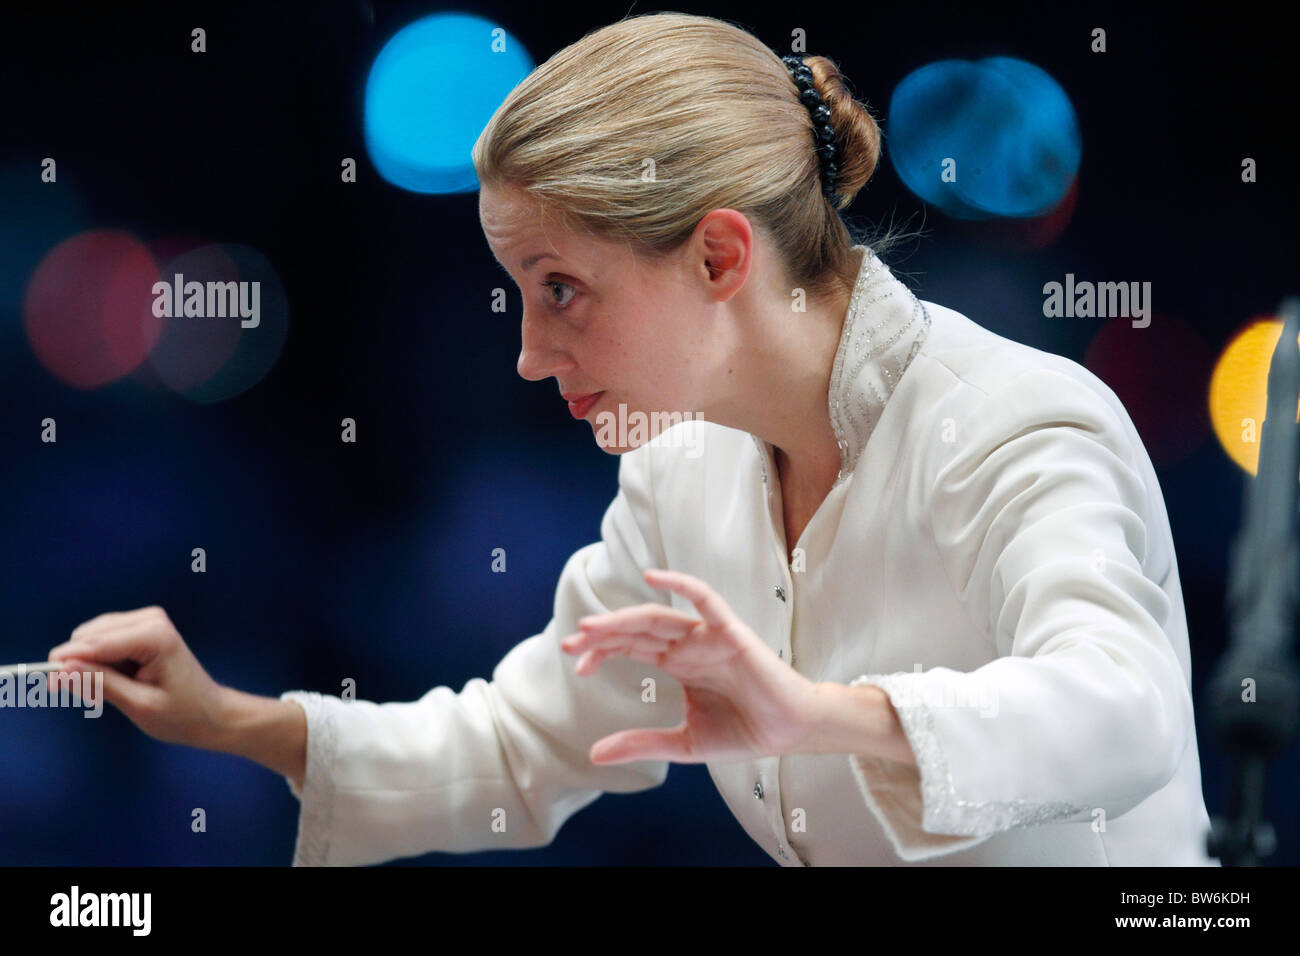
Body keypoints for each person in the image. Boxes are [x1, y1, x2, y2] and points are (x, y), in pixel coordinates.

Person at [47, 11, 1217, 866]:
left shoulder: (1014, 419)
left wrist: (819, 714)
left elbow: (1123, 707)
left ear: (718, 256)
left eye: (559, 288)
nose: (525, 352)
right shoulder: (680, 464)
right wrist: (222, 720)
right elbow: (520, 743)